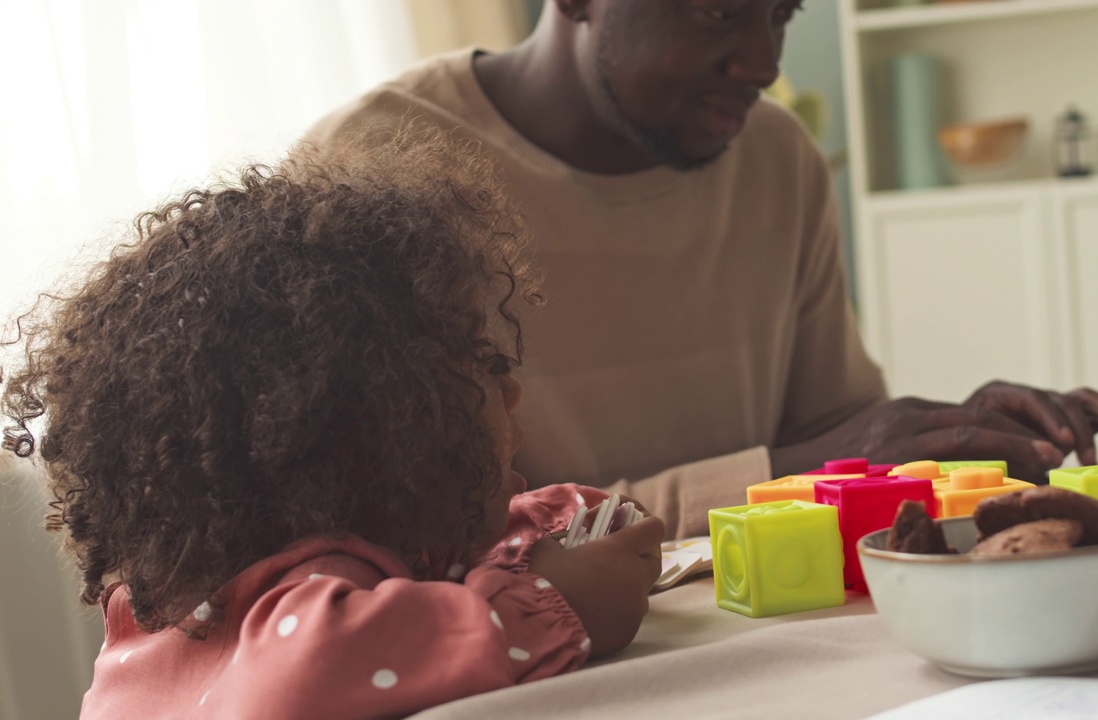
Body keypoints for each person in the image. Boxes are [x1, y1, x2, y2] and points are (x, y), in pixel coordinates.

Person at [305, 0, 1098, 539]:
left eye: (782, 14)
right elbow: (422, 534)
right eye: (719, 12)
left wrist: (947, 447)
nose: (763, 61)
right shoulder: (375, 171)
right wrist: (784, 477)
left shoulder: (777, 156)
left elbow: (836, 425)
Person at [0, 132, 663, 719]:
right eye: (483, 364)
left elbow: (471, 557)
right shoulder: (296, 611)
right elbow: (310, 674)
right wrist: (548, 608)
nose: (512, 391)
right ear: (378, 426)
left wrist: (575, 535)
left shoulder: (363, 560)